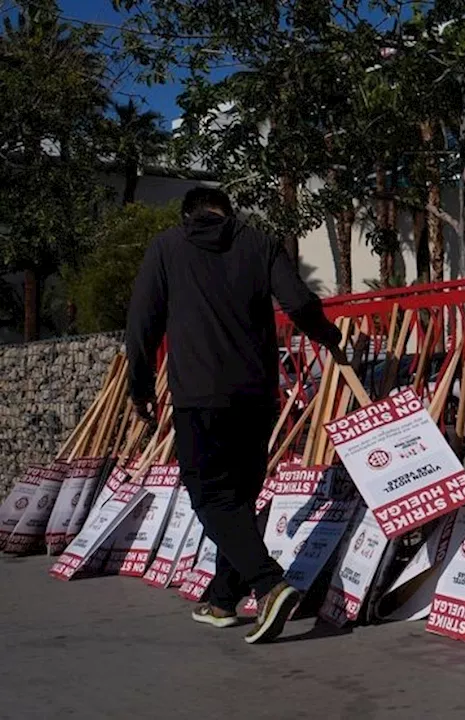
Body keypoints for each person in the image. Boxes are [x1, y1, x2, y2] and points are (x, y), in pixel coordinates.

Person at [126, 188, 345, 644]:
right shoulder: (259, 243)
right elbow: (299, 303)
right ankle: (224, 600)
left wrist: (141, 387)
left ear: (188, 215)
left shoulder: (167, 247)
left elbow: (143, 320)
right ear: (228, 212)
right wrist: (328, 336)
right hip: (257, 396)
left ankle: (269, 584)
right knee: (239, 499)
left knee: (210, 495)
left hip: (199, 395)